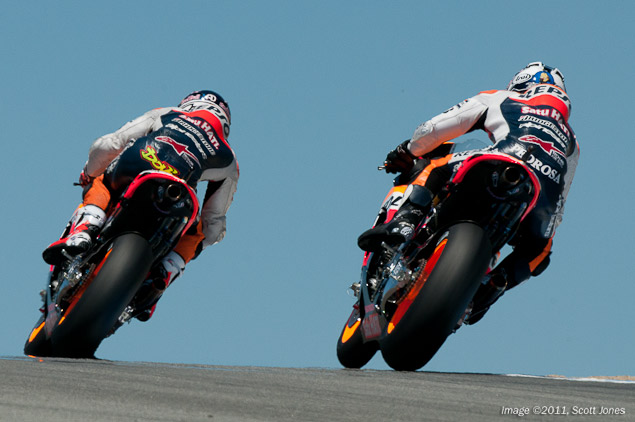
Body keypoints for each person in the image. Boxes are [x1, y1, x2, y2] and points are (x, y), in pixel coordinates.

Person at [358, 62, 580, 324]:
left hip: (500, 161)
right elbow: (561, 200)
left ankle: (405, 222)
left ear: (519, 84)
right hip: (540, 196)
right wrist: (544, 228)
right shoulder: (572, 143)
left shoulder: (500, 97)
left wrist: (408, 150)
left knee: (434, 168)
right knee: (539, 252)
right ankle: (493, 286)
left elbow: (432, 129)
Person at [42, 90, 239, 320]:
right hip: (180, 194)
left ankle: (85, 228)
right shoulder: (229, 158)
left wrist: (88, 173)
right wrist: (199, 245)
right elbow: (214, 222)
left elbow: (110, 144)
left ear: (188, 104)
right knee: (197, 233)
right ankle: (166, 271)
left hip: (141, 162)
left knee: (101, 181)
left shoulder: (167, 113)